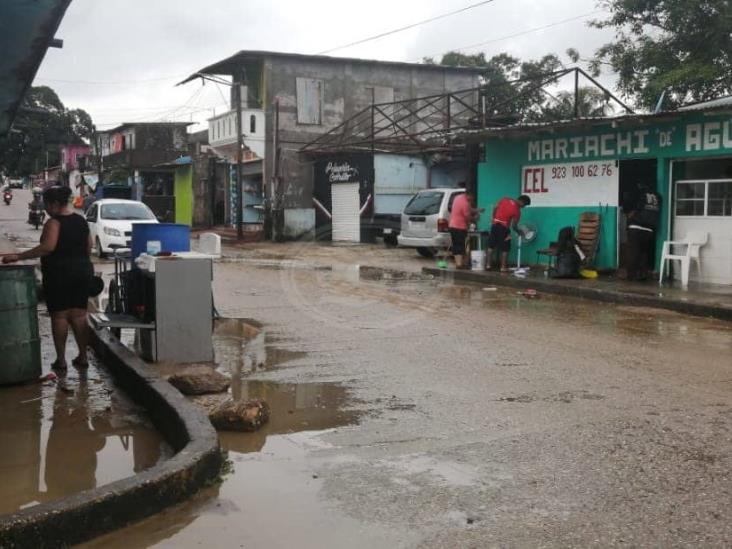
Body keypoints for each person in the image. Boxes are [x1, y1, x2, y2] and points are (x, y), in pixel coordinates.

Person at [2, 186, 94, 370]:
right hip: (82, 272)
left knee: (60, 316)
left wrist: (18, 256)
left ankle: (61, 360)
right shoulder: (81, 221)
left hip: (59, 274)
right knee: (79, 315)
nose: (44, 207)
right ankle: (83, 357)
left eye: (46, 203)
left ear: (54, 204)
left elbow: (47, 247)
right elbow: (89, 246)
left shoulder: (54, 222)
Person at [625, 182, 661, 281]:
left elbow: (631, 207)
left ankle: (631, 275)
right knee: (644, 253)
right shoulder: (658, 196)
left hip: (636, 227)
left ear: (640, 185)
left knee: (633, 252)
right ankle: (642, 274)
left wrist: (629, 215)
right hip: (649, 230)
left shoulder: (639, 193)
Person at [485, 195, 531, 272]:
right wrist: (519, 231)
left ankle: (488, 265)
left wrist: (494, 218)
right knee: (505, 248)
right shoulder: (517, 211)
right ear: (521, 201)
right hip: (504, 229)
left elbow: (495, 208)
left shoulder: (505, 199)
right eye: (524, 205)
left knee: (491, 246)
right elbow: (514, 226)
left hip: (494, 226)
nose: (523, 207)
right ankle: (503, 267)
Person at [448, 189, 483, 269]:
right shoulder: (465, 203)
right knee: (460, 246)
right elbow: (467, 217)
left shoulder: (458, 197)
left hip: (452, 225)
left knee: (456, 245)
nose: (472, 199)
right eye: (472, 197)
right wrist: (475, 218)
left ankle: (458, 263)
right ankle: (460, 264)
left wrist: (477, 210)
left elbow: (469, 209)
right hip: (459, 227)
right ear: (469, 195)